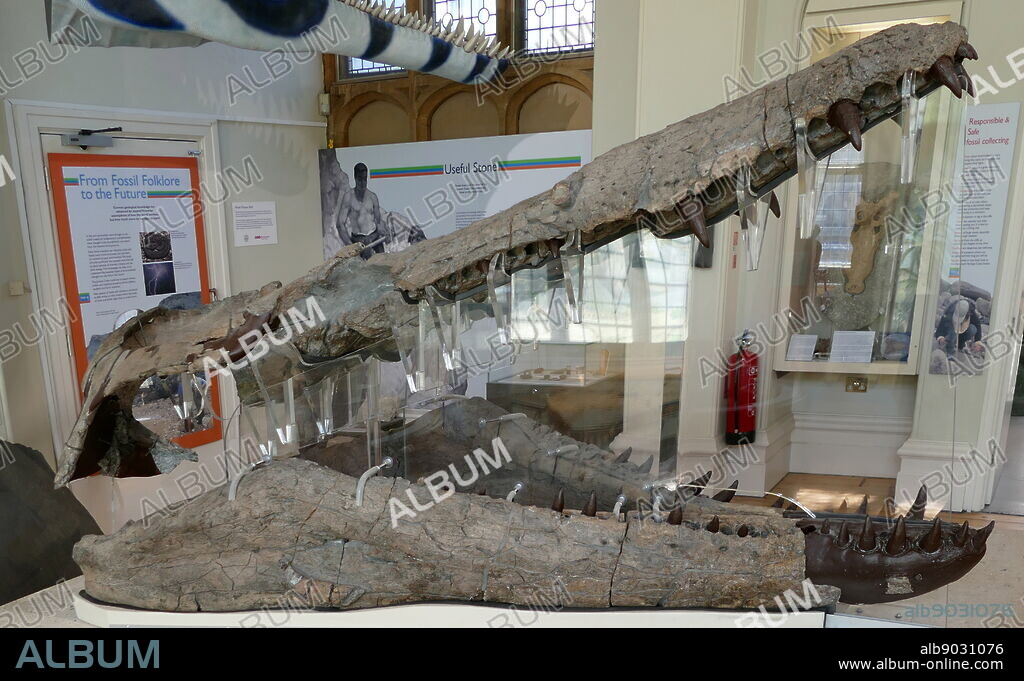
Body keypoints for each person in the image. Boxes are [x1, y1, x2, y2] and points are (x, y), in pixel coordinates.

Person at [337, 163, 385, 258]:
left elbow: (378, 222)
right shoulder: (349, 197)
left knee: (383, 265)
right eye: (360, 179)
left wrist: (382, 231)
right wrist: (350, 246)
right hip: (358, 240)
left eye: (365, 179)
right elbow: (340, 224)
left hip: (374, 237)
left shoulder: (372, 197)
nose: (363, 183)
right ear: (355, 178)